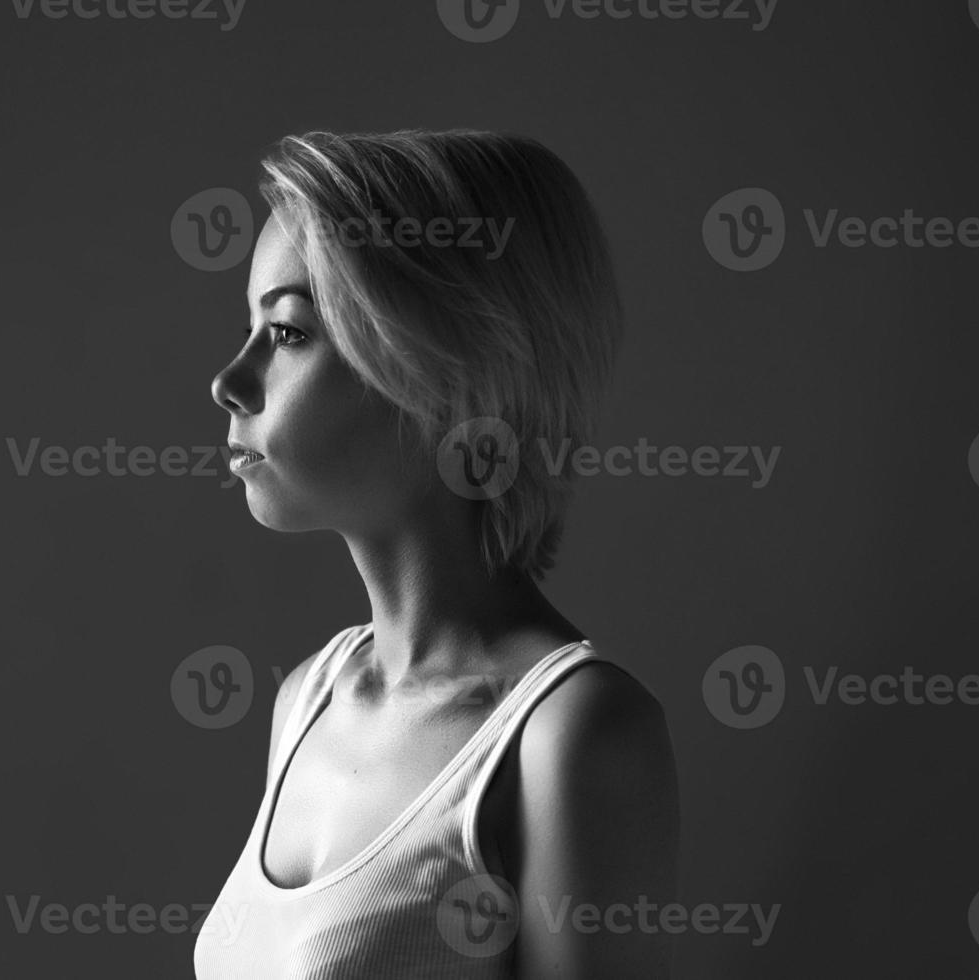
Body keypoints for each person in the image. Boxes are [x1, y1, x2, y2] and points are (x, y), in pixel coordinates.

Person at [196, 129, 679, 978]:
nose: (228, 382)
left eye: (288, 332)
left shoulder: (570, 736)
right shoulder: (305, 700)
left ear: (439, 372)